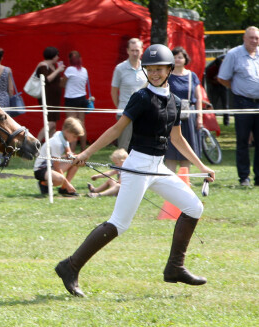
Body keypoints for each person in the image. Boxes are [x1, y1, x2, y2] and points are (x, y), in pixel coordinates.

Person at [55, 44, 216, 298]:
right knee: (119, 223)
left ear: (169, 69)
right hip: (138, 165)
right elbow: (117, 130)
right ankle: (70, 266)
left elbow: (177, 139)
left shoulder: (174, 100)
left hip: (158, 167)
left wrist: (202, 166)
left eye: (159, 69)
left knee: (194, 208)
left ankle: (175, 267)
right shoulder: (141, 97)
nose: (154, 73)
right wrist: (86, 154)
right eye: (150, 69)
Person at [217, 26, 259, 187]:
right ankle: (244, 178)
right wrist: (237, 89)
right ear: (244, 38)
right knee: (243, 141)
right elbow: (222, 78)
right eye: (251, 38)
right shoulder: (234, 54)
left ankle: (258, 178)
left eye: (257, 38)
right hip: (243, 102)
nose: (254, 41)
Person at [165, 47, 203, 173]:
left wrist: (199, 117)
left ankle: (185, 178)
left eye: (180, 57)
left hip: (188, 116)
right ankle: (170, 179)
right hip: (170, 116)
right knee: (170, 150)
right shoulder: (167, 76)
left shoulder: (192, 76)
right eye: (174, 57)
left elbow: (198, 98)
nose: (177, 59)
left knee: (187, 149)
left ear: (185, 59)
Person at [33, 117, 84, 197]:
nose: (75, 139)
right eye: (74, 136)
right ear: (67, 131)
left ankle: (64, 189)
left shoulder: (62, 135)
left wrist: (78, 158)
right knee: (60, 179)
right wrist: (68, 184)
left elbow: (68, 154)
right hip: (41, 169)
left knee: (75, 162)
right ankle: (44, 184)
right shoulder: (57, 143)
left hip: (51, 166)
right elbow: (57, 167)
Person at [111, 38, 144, 150]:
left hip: (143, 113)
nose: (135, 53)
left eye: (137, 50)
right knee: (124, 148)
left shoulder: (147, 68)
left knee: (142, 146)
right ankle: (122, 168)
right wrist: (120, 107)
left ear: (142, 51)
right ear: (127, 51)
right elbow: (114, 91)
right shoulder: (120, 68)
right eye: (132, 50)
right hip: (125, 112)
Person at [33, 46, 65, 142]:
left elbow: (55, 80)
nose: (58, 57)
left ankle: (50, 147)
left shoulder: (53, 66)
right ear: (53, 56)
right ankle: (36, 143)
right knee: (50, 123)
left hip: (54, 98)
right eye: (57, 55)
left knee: (53, 125)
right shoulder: (42, 66)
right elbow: (47, 79)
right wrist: (58, 70)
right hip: (47, 98)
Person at [64, 51, 91, 151]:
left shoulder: (69, 69)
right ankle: (84, 149)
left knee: (71, 125)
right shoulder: (84, 70)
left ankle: (72, 150)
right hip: (82, 98)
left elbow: (62, 84)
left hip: (71, 99)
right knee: (82, 124)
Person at [204, 54, 229, 126]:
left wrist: (222, 81)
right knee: (213, 104)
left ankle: (226, 121)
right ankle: (213, 120)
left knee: (225, 105)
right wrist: (215, 82)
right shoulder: (212, 69)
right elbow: (208, 80)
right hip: (214, 87)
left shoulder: (224, 69)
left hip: (223, 87)